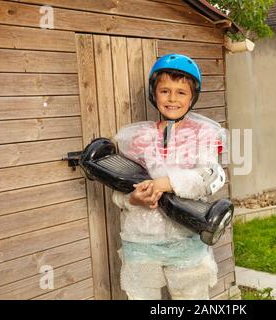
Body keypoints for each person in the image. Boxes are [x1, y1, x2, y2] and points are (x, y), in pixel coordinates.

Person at [111, 53, 227, 300]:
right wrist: (132, 200)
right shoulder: (137, 138)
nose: (172, 98)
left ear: (192, 97)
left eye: (181, 92)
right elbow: (120, 187)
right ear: (154, 94)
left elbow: (211, 176)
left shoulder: (203, 134)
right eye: (165, 91)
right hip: (140, 242)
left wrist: (168, 183)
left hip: (185, 241)